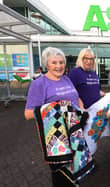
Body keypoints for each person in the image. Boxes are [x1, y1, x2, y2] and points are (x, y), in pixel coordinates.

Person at [24, 47, 84, 187]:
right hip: (56, 137)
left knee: (75, 168)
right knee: (60, 174)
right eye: (54, 63)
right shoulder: (39, 84)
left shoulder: (66, 79)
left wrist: (82, 108)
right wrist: (56, 109)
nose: (59, 66)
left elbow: (76, 97)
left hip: (74, 131)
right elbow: (27, 114)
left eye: (61, 62)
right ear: (47, 64)